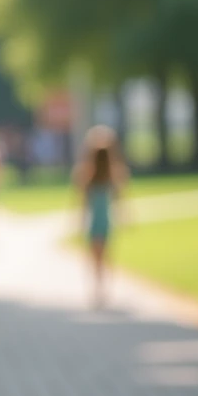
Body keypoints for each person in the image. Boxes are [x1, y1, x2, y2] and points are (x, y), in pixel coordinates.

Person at [73, 125, 129, 309]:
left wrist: (79, 223)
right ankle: (102, 289)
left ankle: (99, 289)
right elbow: (120, 200)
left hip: (95, 222)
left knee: (96, 258)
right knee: (105, 257)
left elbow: (82, 204)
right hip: (105, 222)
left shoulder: (87, 175)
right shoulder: (111, 175)